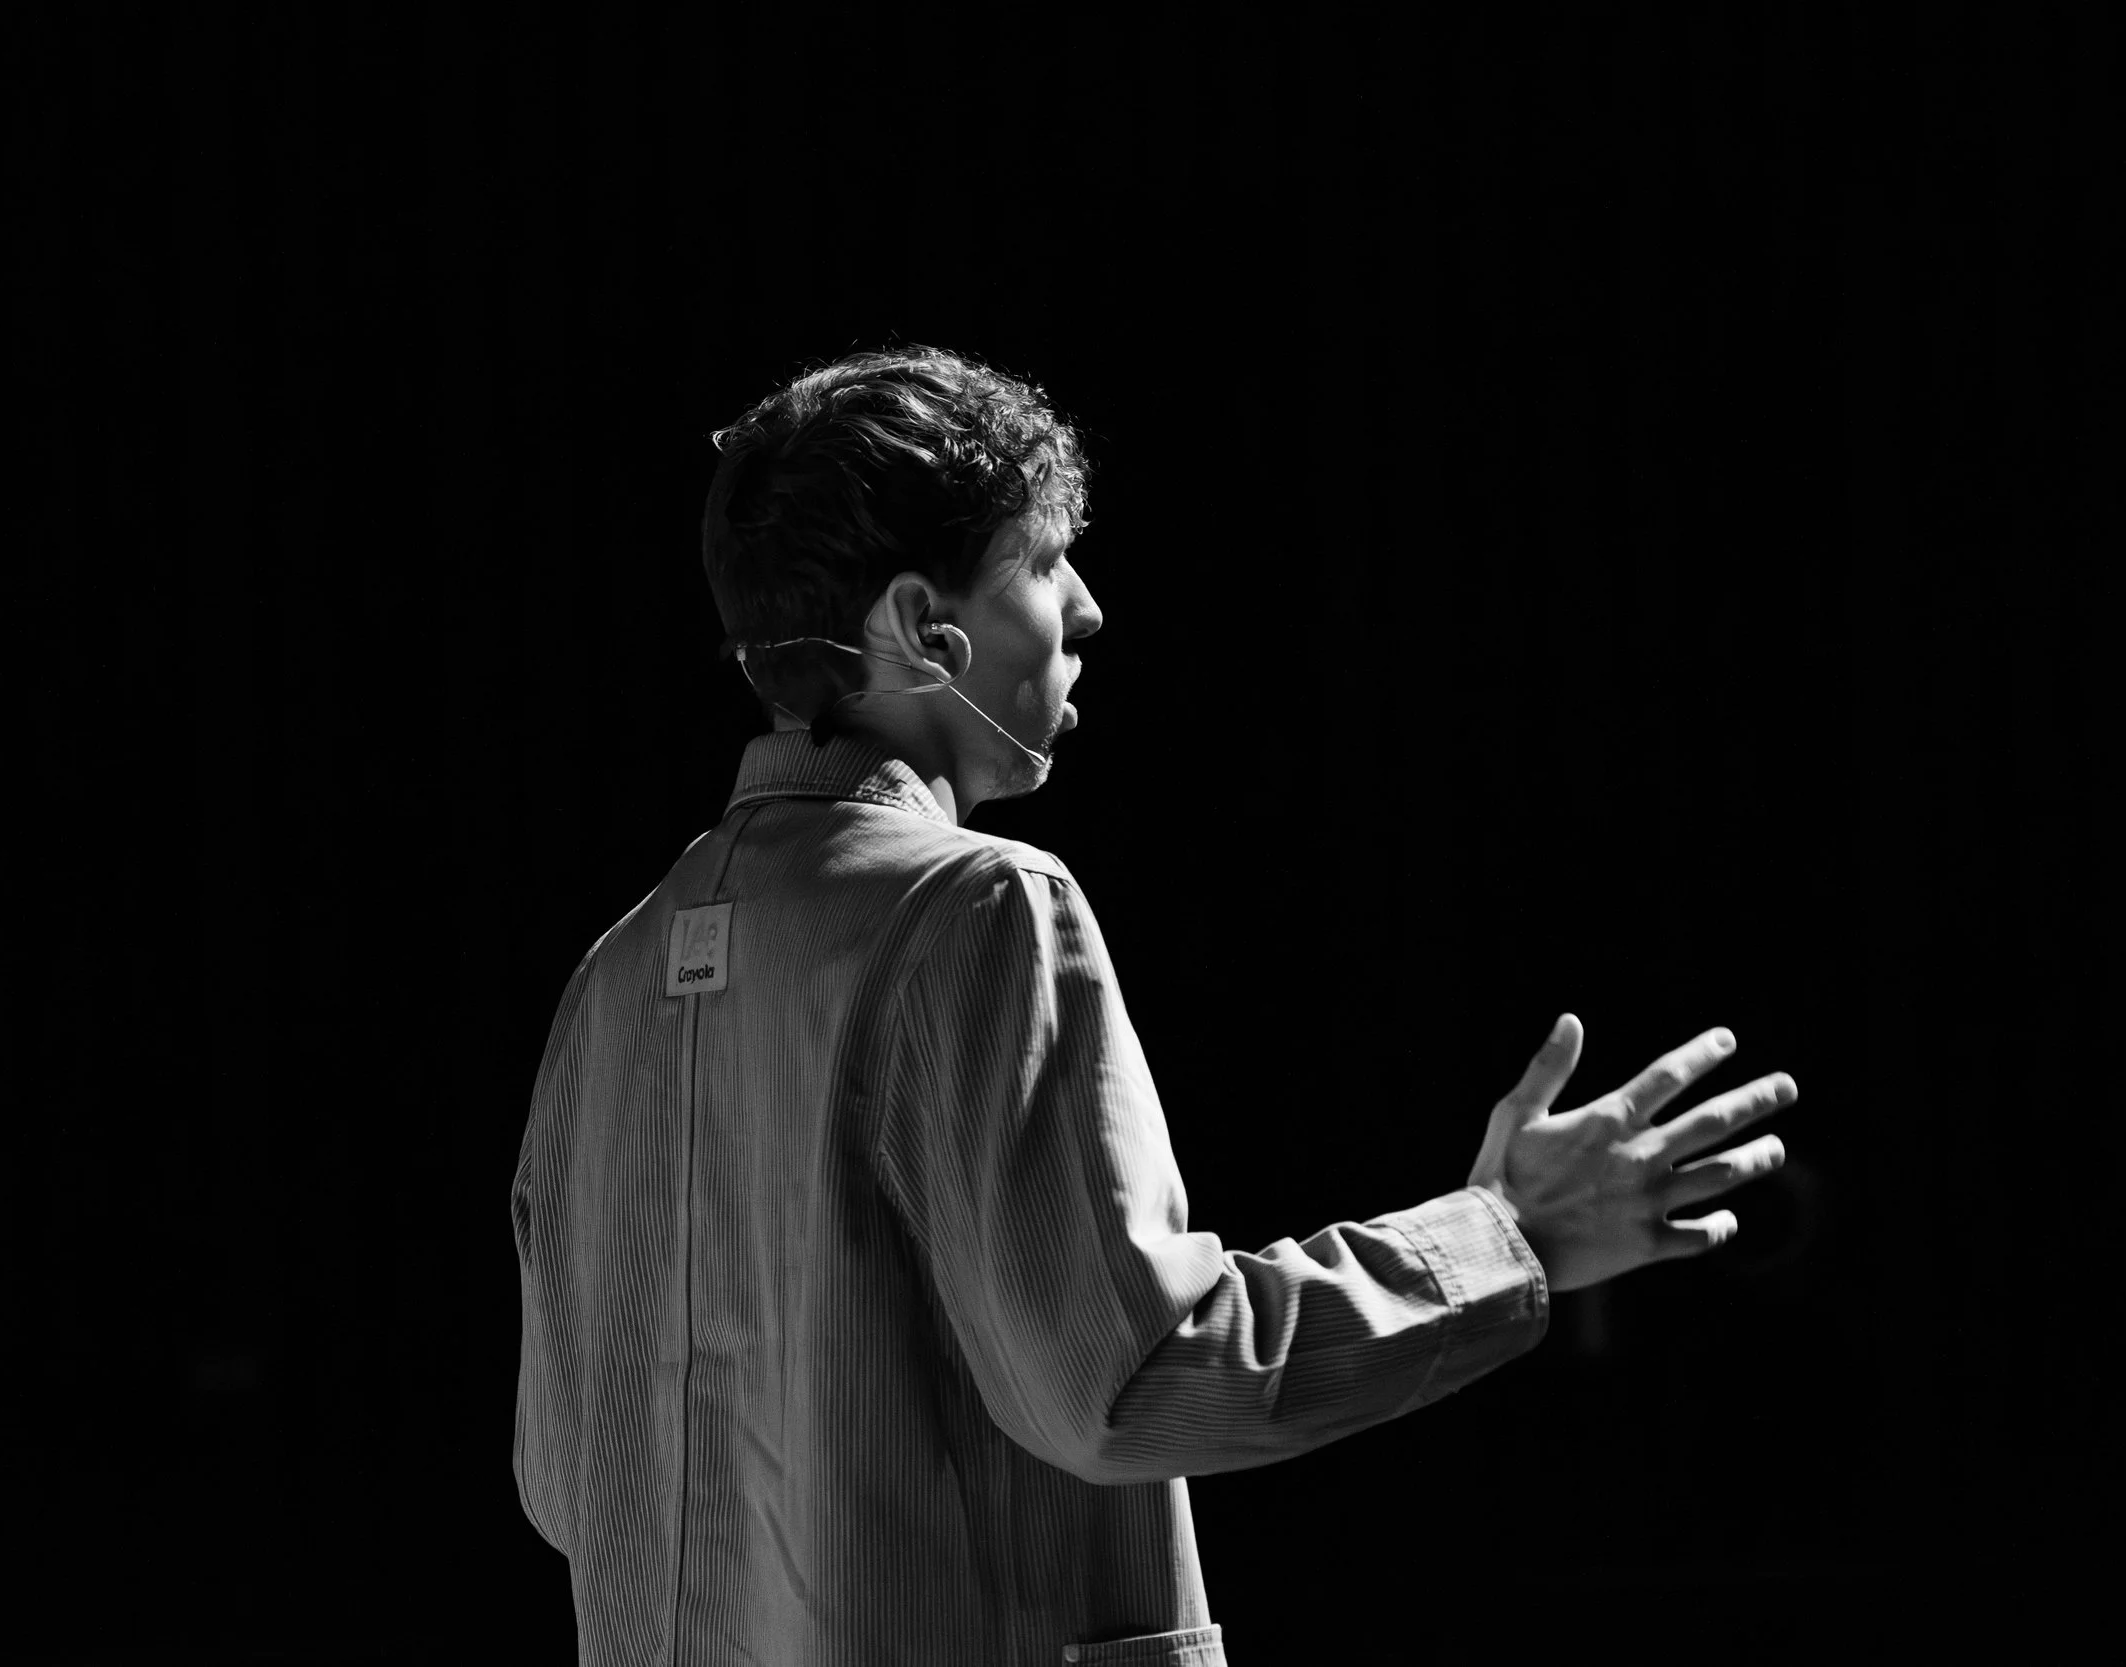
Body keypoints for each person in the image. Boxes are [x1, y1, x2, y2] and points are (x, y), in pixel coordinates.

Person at [510, 347, 1799, 1664]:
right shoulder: (978, 905)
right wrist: (1508, 1236)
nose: (1086, 608)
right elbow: (1134, 1378)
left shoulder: (612, 980)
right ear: (921, 625)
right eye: (1042, 561)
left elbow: (565, 1482)